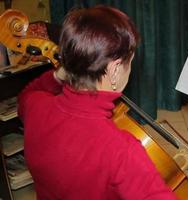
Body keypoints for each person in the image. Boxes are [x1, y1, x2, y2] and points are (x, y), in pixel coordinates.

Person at [17, 6, 176, 199]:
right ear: (115, 69)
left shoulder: (36, 107)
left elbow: (29, 93)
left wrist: (59, 75)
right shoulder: (121, 150)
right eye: (130, 61)